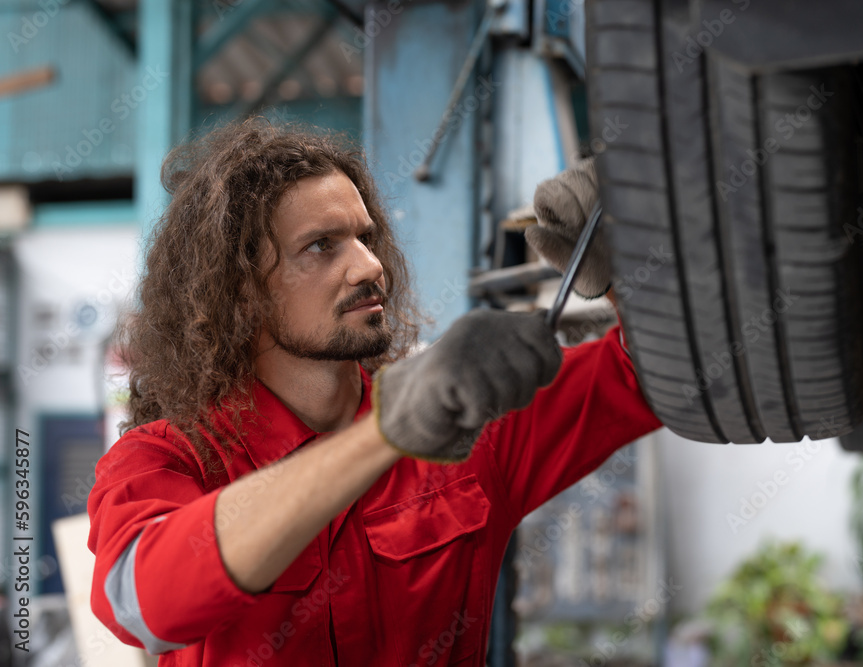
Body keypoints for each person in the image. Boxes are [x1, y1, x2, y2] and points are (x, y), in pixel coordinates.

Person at [87, 118, 662, 667]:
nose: (369, 266)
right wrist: (385, 436)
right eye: (321, 246)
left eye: (365, 237)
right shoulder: (165, 460)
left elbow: (652, 377)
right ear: (239, 293)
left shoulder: (466, 425)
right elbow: (143, 605)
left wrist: (631, 275)